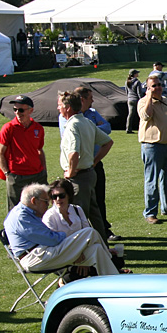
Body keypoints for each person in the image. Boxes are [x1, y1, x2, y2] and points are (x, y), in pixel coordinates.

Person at [4, 183, 119, 278]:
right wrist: (67, 239)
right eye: (46, 201)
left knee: (96, 250)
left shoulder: (27, 213)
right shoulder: (21, 217)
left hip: (44, 253)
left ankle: (115, 284)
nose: (48, 205)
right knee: (90, 232)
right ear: (34, 201)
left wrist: (76, 250)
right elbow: (51, 239)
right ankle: (109, 255)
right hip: (34, 258)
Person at [43, 179, 130, 275]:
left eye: (61, 196)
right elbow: (54, 244)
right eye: (54, 197)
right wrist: (76, 255)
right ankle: (108, 258)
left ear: (69, 195)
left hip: (81, 253)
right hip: (63, 255)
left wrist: (82, 255)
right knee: (91, 233)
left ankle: (111, 281)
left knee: (100, 250)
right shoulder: (49, 217)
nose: (58, 199)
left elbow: (88, 239)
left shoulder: (77, 210)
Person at [58, 91, 112, 239]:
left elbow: (73, 153)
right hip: (89, 174)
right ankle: (103, 247)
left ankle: (85, 250)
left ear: (68, 107)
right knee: (95, 215)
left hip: (79, 178)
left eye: (60, 106)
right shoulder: (87, 122)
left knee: (79, 216)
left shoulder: (72, 126)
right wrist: (93, 162)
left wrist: (71, 171)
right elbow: (108, 142)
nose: (58, 109)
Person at [137, 74, 167, 224]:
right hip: (153, 146)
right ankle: (150, 212)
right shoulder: (143, 102)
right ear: (148, 88)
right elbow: (146, 115)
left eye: (159, 85)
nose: (158, 88)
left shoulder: (166, 101)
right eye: (154, 86)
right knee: (151, 180)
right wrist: (149, 97)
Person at [0, 95, 48, 211]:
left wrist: (44, 170)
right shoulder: (8, 128)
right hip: (17, 176)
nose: (17, 113)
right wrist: (7, 173)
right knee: (16, 210)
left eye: (21, 110)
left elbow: (39, 150)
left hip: (37, 175)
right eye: (15, 110)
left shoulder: (38, 128)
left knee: (42, 207)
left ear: (31, 110)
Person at [125, 69, 143, 133]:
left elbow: (126, 91)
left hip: (130, 99)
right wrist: (142, 100)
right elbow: (139, 93)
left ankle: (128, 128)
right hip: (136, 100)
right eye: (137, 73)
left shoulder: (127, 81)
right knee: (140, 115)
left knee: (130, 115)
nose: (138, 74)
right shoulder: (137, 82)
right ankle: (141, 128)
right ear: (135, 74)